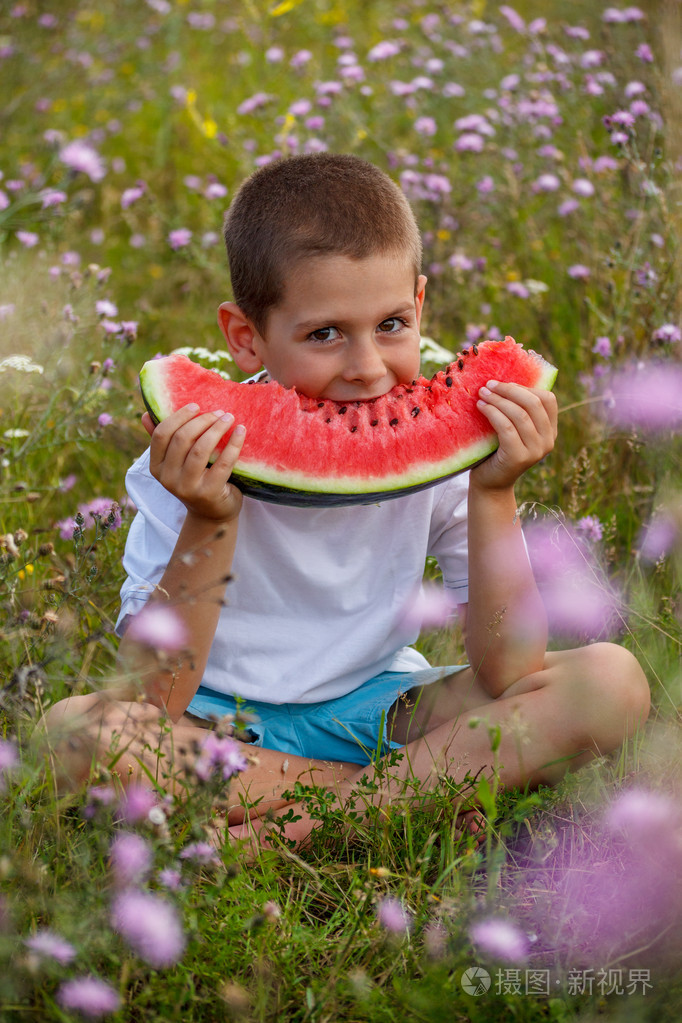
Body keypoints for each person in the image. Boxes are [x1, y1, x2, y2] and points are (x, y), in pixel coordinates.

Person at [42, 153, 650, 848]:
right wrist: (210, 516)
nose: (366, 366)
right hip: (216, 726)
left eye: (391, 324)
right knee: (76, 734)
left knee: (613, 682)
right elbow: (154, 698)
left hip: (380, 709)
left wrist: (494, 491)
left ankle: (283, 829)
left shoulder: (451, 453)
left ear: (420, 305)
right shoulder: (182, 463)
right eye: (325, 334)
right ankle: (407, 796)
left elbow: (509, 669)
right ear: (246, 337)